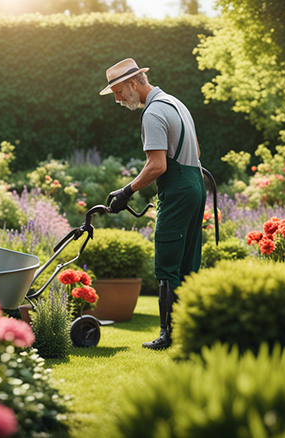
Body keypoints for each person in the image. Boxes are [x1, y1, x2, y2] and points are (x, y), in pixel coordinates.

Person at [100, 58, 206, 350]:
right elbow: (196, 150)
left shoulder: (152, 113)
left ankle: (168, 334)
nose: (118, 99)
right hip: (196, 183)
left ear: (134, 83)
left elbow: (157, 165)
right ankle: (188, 332)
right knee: (188, 261)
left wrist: (126, 191)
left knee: (167, 261)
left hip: (179, 188)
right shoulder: (175, 103)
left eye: (119, 91)